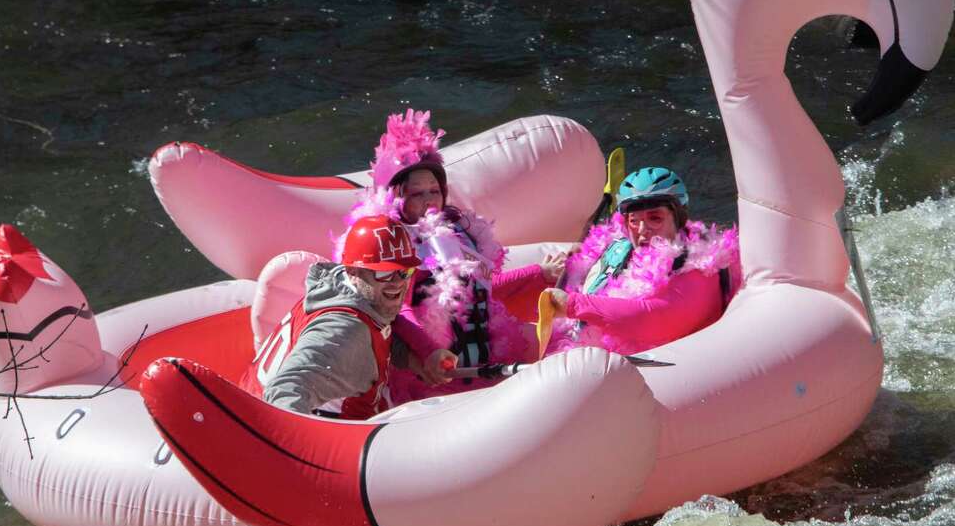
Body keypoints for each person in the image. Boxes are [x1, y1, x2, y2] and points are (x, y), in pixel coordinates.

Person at [354, 109, 566, 401]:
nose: (430, 199)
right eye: (417, 194)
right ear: (395, 198)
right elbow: (398, 310)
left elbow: (481, 289)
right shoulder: (394, 243)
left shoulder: (456, 236)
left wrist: (538, 274)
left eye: (434, 190)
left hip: (479, 360)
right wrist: (428, 353)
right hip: (434, 374)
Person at [241, 213, 435, 420]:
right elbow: (285, 390)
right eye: (383, 273)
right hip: (270, 427)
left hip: (251, 403)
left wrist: (416, 362)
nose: (397, 282)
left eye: (404, 271)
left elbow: (371, 341)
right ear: (352, 271)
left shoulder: (341, 289)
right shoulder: (344, 330)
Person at [546, 166, 739, 356]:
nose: (641, 229)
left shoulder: (703, 263)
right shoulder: (621, 250)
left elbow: (658, 319)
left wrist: (574, 305)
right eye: (633, 220)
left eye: (655, 218)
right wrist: (546, 271)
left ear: (679, 219)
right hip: (593, 355)